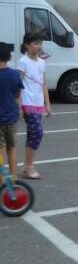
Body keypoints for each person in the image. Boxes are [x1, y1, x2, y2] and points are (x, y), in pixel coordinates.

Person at [17, 32, 51, 179]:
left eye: (40, 43)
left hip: (38, 103)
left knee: (32, 135)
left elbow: (44, 84)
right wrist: (19, 106)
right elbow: (18, 85)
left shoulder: (42, 62)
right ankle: (29, 166)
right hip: (27, 102)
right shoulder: (22, 62)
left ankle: (27, 166)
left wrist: (47, 104)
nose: (39, 46)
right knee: (37, 132)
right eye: (36, 43)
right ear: (27, 45)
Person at [0, 42, 23, 178]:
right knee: (11, 148)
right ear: (8, 57)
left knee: (0, 150)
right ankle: (13, 177)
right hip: (11, 117)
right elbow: (18, 95)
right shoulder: (14, 74)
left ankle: (1, 182)